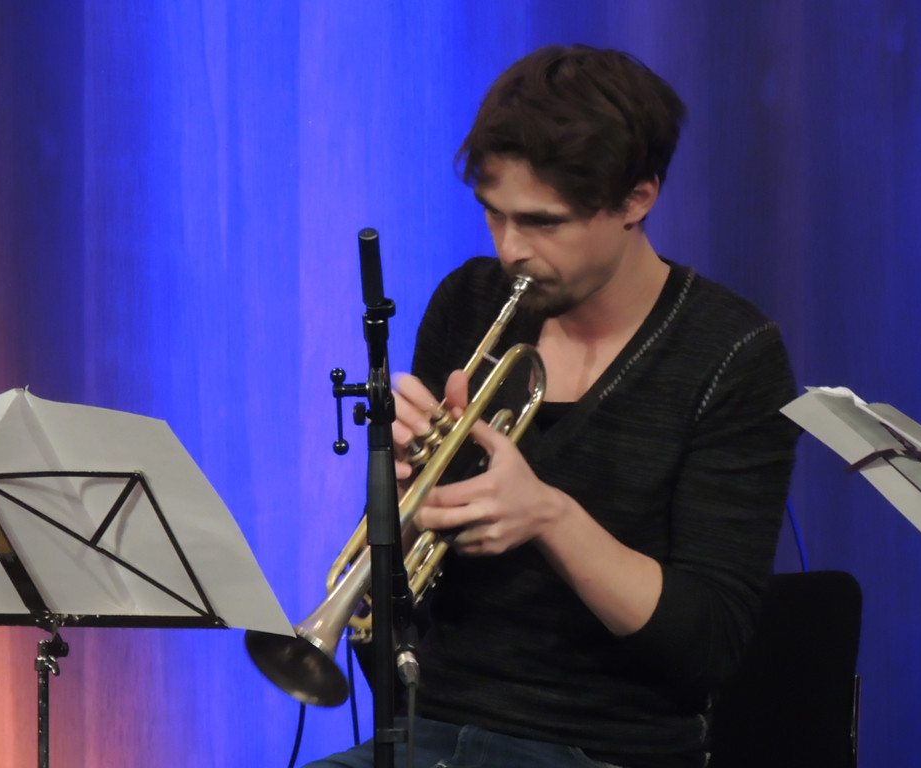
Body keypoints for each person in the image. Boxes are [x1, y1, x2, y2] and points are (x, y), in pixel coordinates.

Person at [309, 43, 799, 768]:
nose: (511, 249)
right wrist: (406, 485)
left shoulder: (732, 354)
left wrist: (547, 515)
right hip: (432, 727)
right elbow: (401, 605)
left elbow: (706, 649)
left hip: (606, 749)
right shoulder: (467, 301)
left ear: (637, 199)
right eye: (494, 215)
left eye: (543, 223)